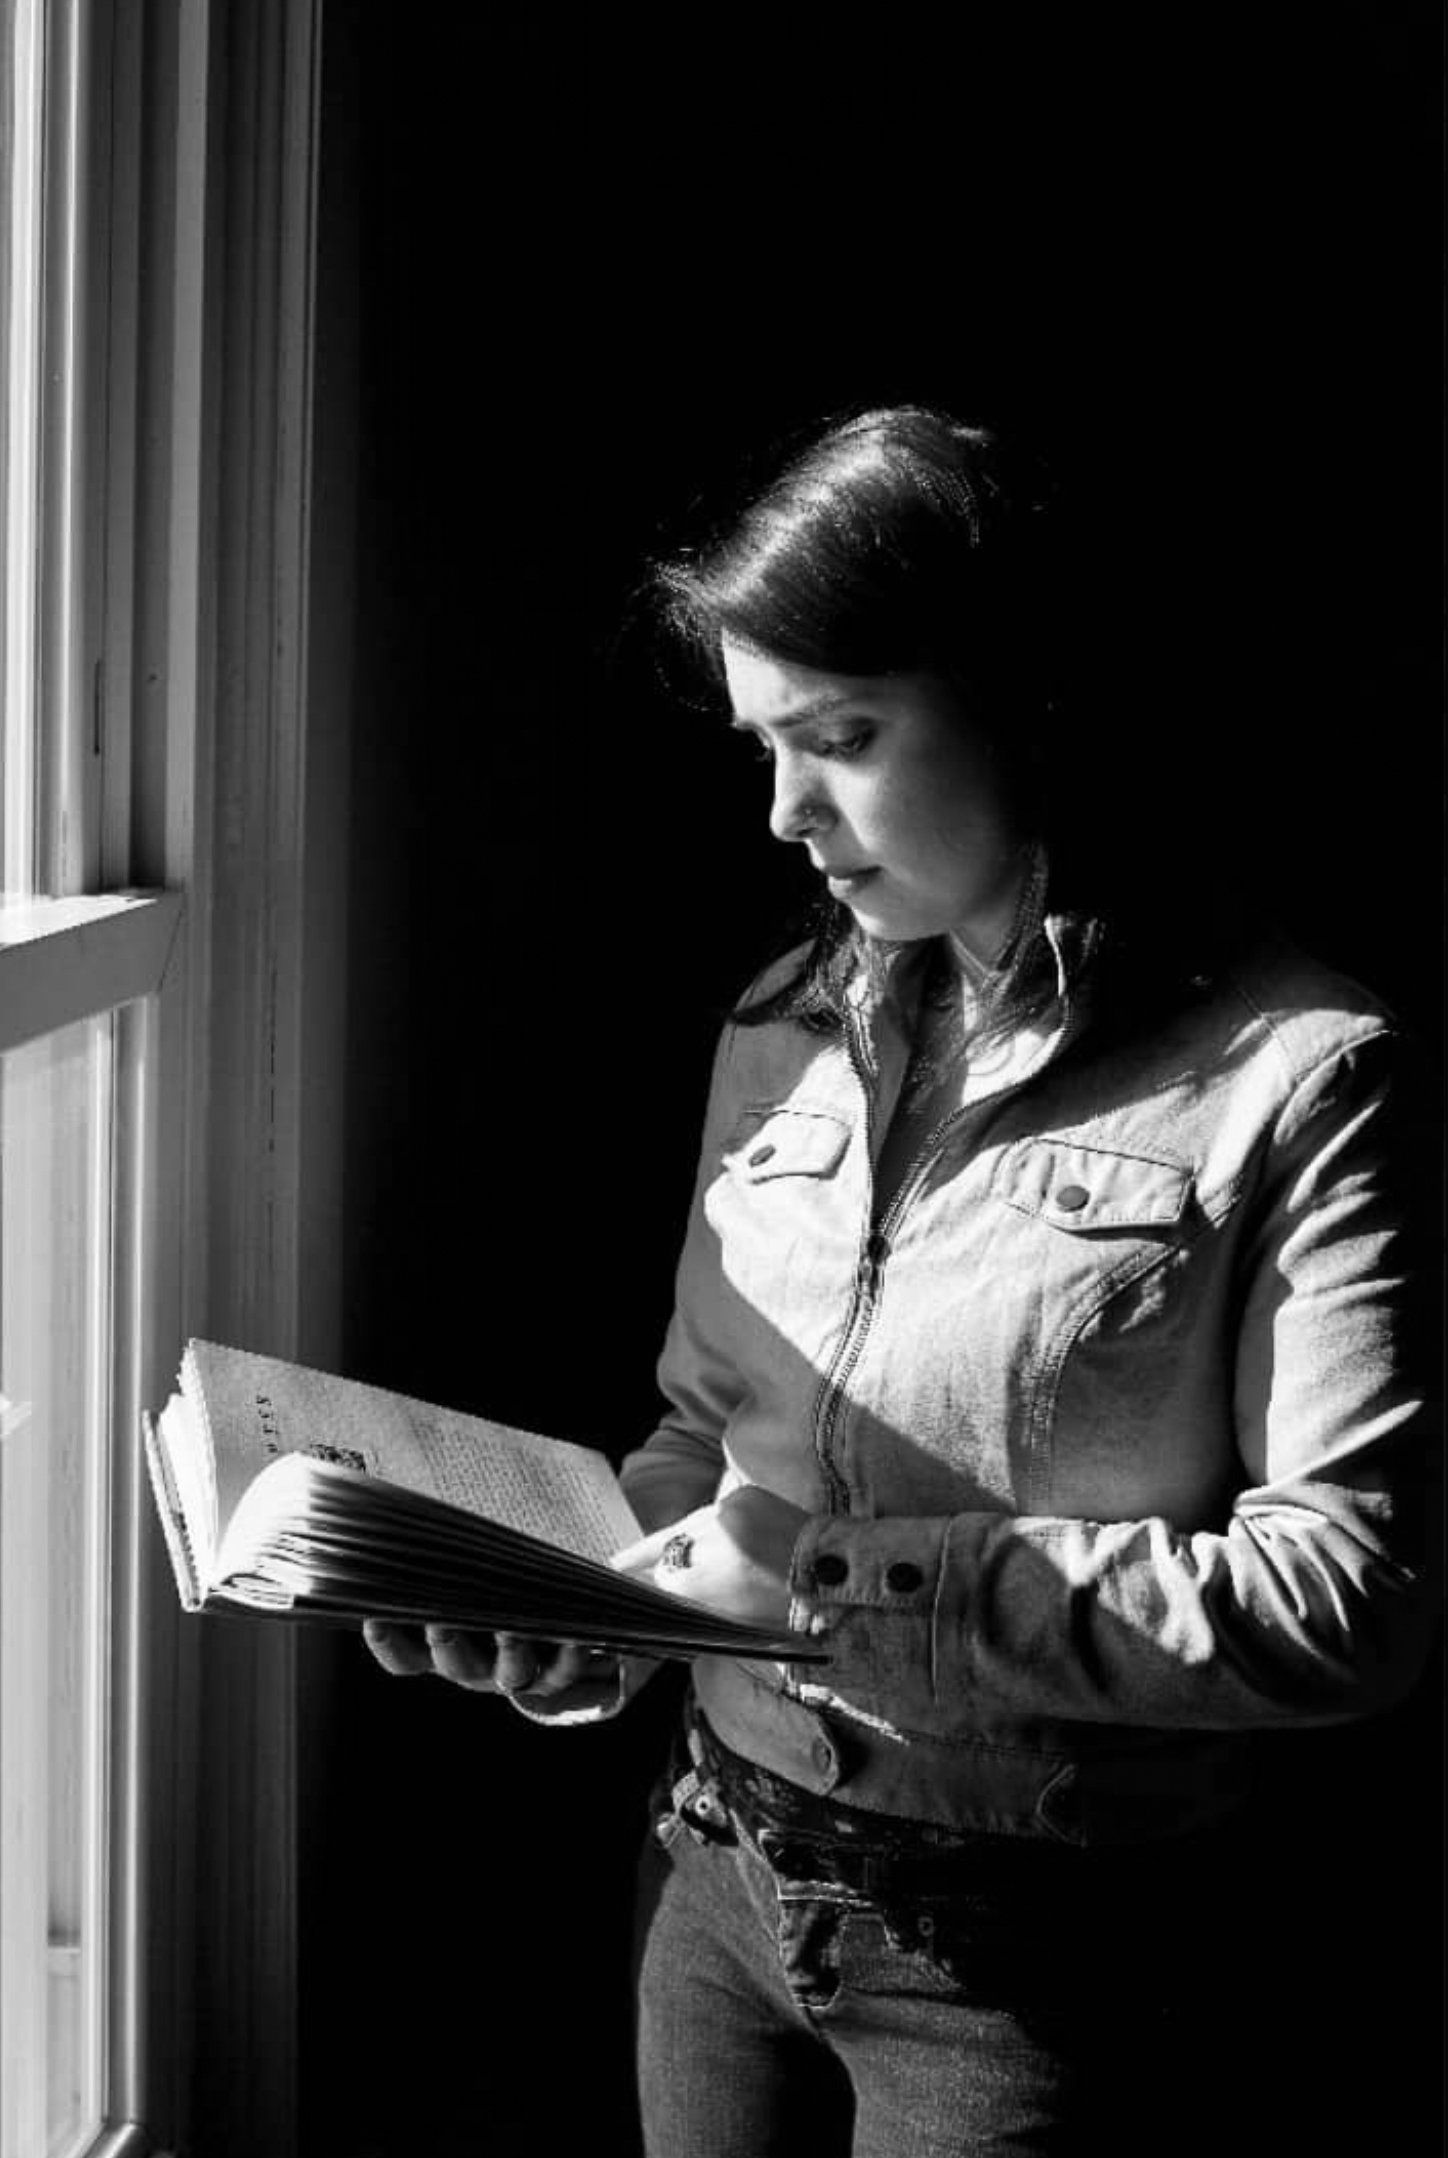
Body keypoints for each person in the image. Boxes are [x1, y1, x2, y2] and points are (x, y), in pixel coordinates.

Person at [363, 407, 1437, 2156]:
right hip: (710, 1891)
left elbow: (1350, 1596)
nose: (785, 812)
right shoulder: (776, 1026)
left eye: (842, 736)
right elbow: (714, 1442)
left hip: (1041, 1974)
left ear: (1031, 698)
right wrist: (595, 1596)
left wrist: (839, 1577)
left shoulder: (1305, 1078)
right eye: (763, 746)